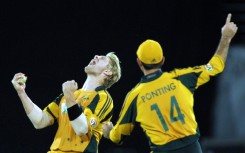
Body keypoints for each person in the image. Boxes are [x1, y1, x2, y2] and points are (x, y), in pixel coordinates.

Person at [102, 13, 238, 153]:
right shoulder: (183, 78)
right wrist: (226, 36)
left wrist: (108, 132)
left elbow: (118, 137)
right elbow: (216, 66)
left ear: (139, 63)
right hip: (193, 149)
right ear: (163, 60)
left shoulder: (135, 96)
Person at [11, 52, 121, 153]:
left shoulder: (103, 98)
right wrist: (21, 93)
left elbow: (82, 129)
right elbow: (40, 121)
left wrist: (69, 95)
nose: (96, 56)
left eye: (102, 58)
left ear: (107, 71)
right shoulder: (69, 94)